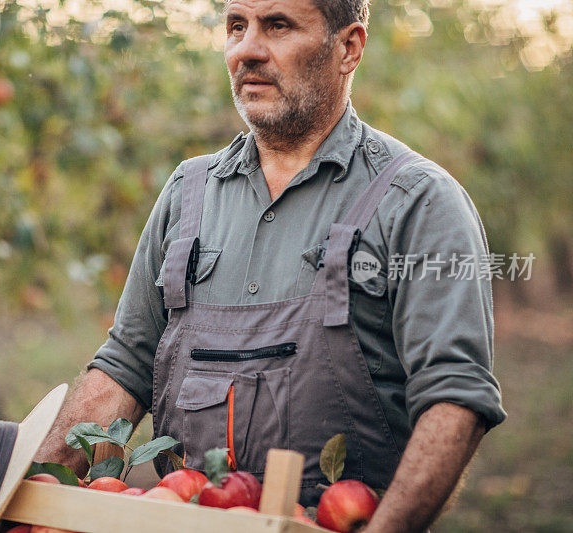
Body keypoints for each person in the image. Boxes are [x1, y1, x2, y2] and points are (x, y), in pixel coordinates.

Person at [35, 0, 506, 530]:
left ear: (348, 47)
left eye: (278, 26)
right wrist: (25, 494)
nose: (247, 51)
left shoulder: (418, 201)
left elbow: (454, 396)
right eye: (237, 27)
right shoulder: (187, 193)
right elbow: (126, 365)